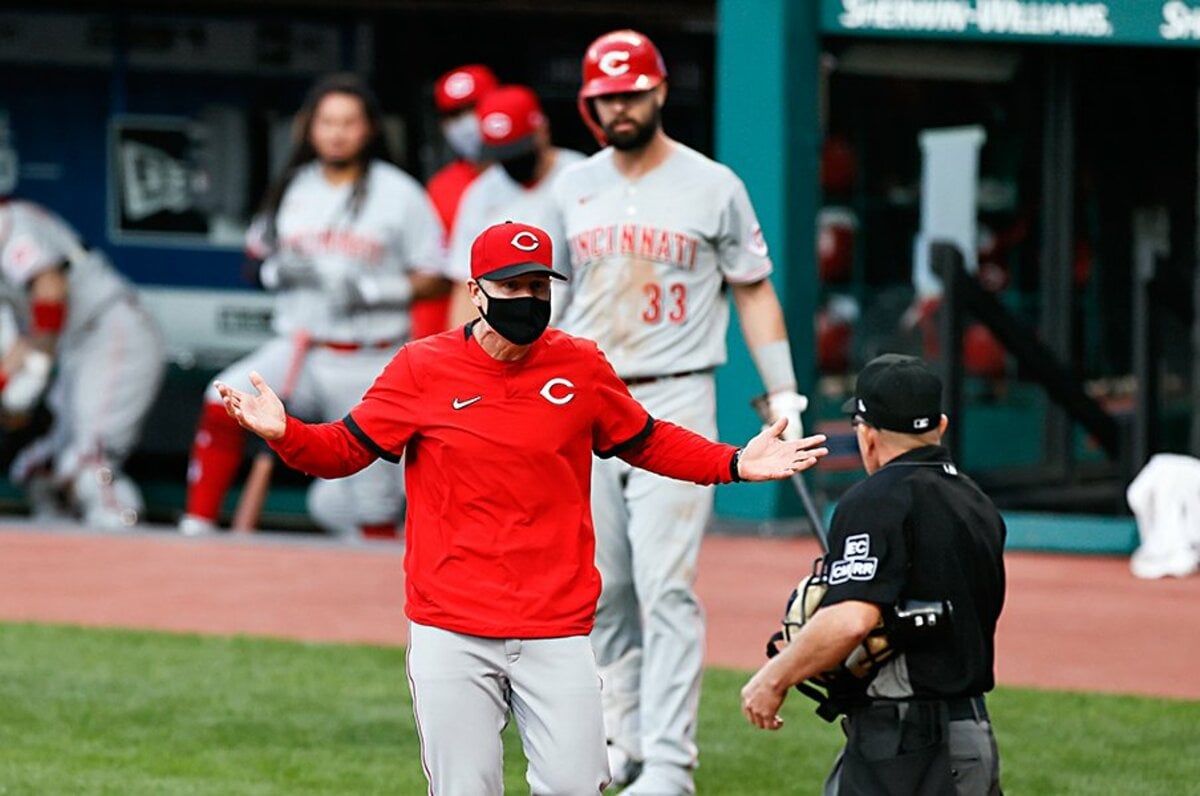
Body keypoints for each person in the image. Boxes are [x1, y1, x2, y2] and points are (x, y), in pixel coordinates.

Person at [213, 220, 829, 796]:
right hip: (451, 625)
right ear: (477, 293)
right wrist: (285, 433)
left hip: (555, 626)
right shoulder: (420, 369)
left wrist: (733, 463)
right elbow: (345, 450)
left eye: (540, 285)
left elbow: (646, 439)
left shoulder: (580, 365)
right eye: (513, 286)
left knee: (576, 785)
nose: (529, 299)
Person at [548, 29, 812, 793]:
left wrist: (786, 391)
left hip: (676, 391)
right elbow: (554, 296)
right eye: (605, 96)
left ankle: (668, 762)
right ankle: (617, 740)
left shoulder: (712, 183)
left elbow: (753, 286)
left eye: (631, 92)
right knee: (602, 586)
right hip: (587, 394)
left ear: (660, 92)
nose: (618, 106)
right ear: (589, 102)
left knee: (666, 586)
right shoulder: (572, 185)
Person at [179, 72, 447, 539]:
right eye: (327, 122)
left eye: (348, 122)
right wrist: (276, 271)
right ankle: (197, 525)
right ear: (310, 127)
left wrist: (373, 290)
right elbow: (255, 259)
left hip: (371, 356)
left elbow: (438, 277)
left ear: (369, 129)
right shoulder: (293, 186)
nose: (337, 132)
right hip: (301, 348)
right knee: (222, 399)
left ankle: (376, 583)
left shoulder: (400, 193)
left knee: (373, 499)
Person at [741, 354, 1006, 795]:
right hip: (971, 734)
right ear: (938, 426)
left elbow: (851, 619)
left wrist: (773, 678)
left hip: (906, 746)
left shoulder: (874, 499)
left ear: (866, 436)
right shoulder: (976, 503)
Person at [0, 198, 165, 528]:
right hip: (78, 347)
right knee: (40, 471)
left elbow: (50, 290)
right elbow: (17, 345)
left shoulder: (9, 222)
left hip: (112, 331)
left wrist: (37, 367)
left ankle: (123, 552)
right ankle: (68, 572)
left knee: (91, 466)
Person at [445, 84, 585, 326]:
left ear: (542, 130)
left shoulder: (580, 176)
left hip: (577, 327)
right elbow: (465, 288)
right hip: (510, 336)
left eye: (519, 150)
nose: (512, 162)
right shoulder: (481, 193)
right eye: (504, 154)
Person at [412, 63, 499, 339]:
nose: (466, 123)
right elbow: (433, 273)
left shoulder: (527, 178)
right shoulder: (442, 186)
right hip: (455, 326)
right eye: (454, 115)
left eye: (473, 108)